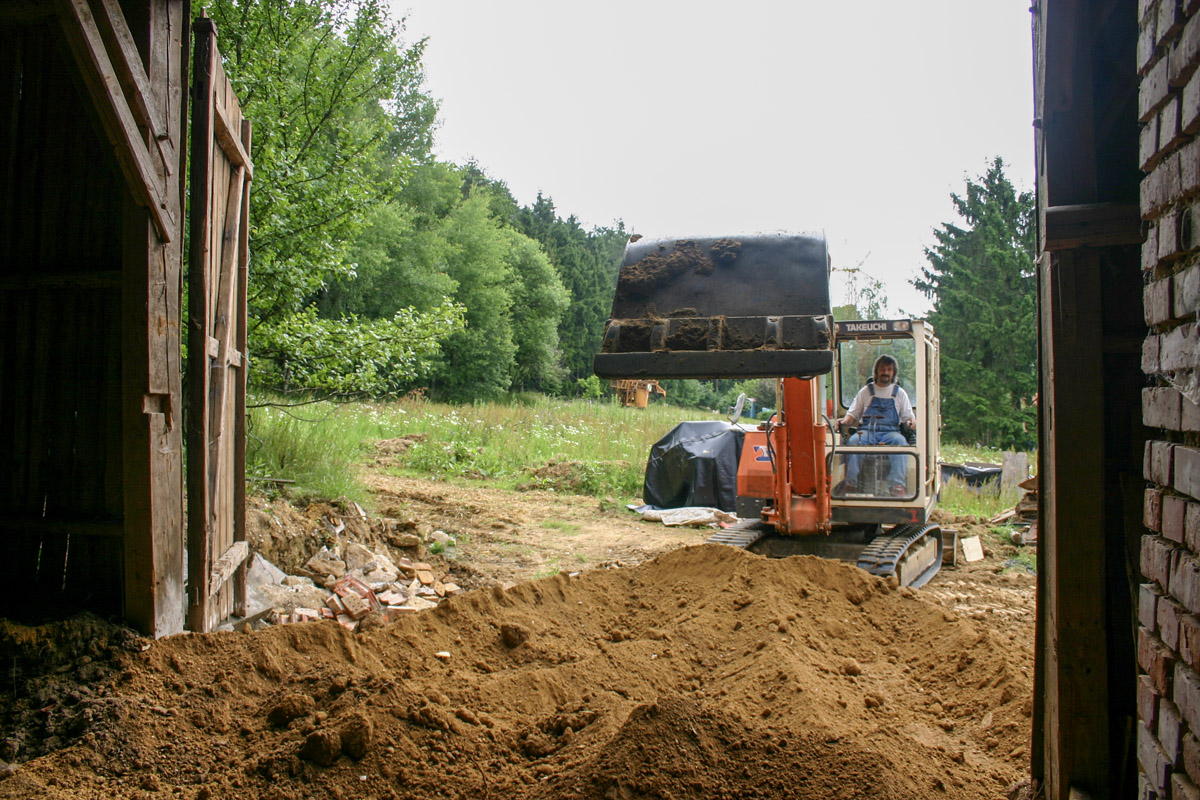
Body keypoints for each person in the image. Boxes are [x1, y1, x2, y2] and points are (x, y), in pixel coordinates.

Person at [835, 354, 915, 497]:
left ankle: (897, 485)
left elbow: (907, 418)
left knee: (901, 442)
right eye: (882, 369)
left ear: (893, 372)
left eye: (889, 369)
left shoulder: (899, 393)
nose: (885, 372)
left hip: (891, 432)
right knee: (853, 442)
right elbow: (853, 415)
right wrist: (843, 421)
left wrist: (911, 423)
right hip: (867, 431)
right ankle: (850, 484)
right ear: (876, 371)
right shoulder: (866, 391)